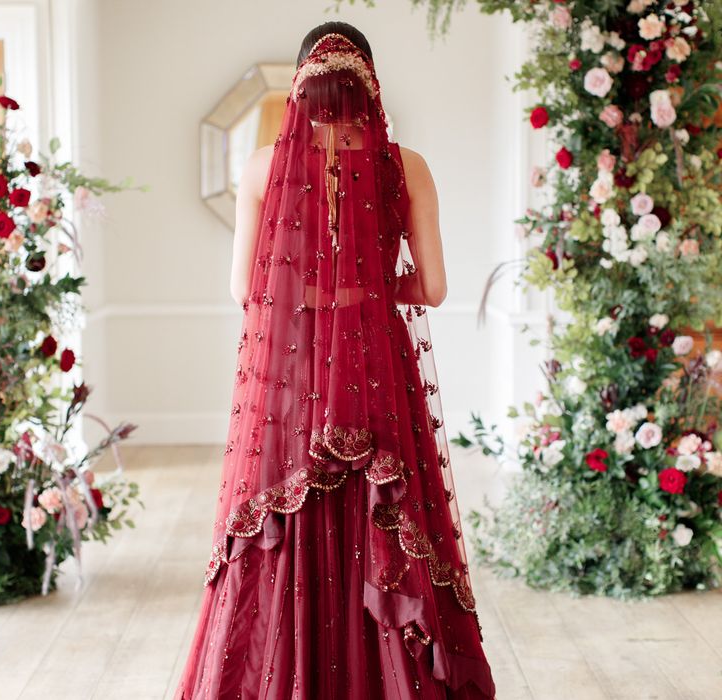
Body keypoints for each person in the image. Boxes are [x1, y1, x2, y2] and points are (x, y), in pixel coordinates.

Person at [174, 21, 496, 699]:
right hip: (371, 360)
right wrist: (373, 290)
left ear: (299, 87)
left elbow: (245, 290)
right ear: (370, 83)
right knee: (380, 506)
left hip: (289, 368)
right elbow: (433, 288)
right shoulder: (404, 165)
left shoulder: (263, 167)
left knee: (284, 512)